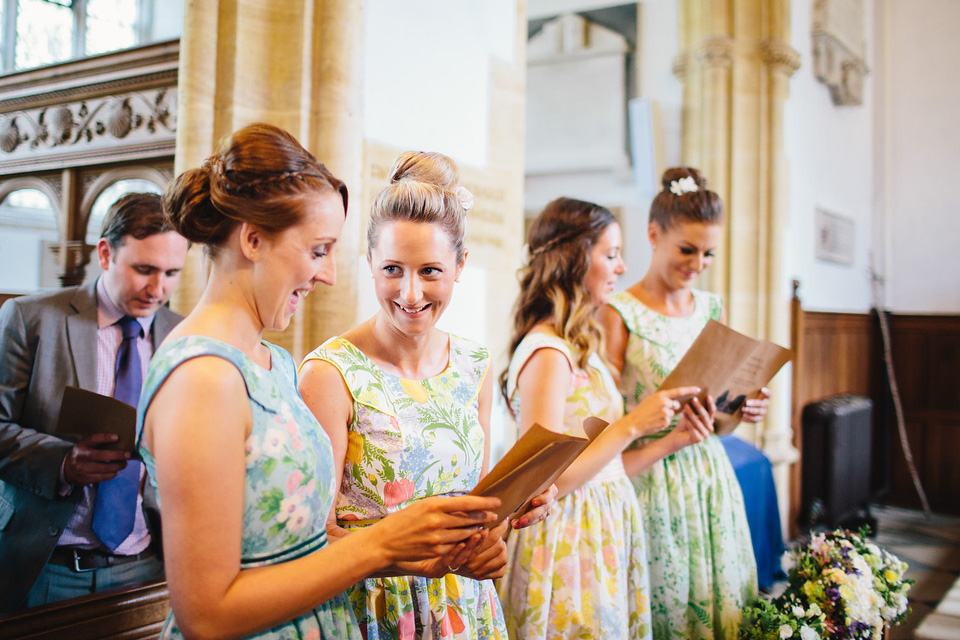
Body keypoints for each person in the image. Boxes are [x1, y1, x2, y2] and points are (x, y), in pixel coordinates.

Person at [139, 124, 502, 640]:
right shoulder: (202, 378)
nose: (330, 273)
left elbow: (305, 542)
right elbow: (206, 614)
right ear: (253, 238)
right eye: (318, 250)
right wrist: (383, 543)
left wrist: (432, 546)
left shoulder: (275, 364)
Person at [298, 151, 552, 640]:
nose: (411, 294)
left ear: (460, 266)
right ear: (369, 261)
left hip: (464, 609)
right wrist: (417, 560)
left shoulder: (474, 366)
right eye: (392, 268)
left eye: (430, 271)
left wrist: (514, 511)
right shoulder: (330, 374)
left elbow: (480, 510)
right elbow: (313, 540)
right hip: (369, 611)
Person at [495, 197, 711, 640]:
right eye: (610, 255)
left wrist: (672, 440)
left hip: (601, 531)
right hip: (564, 545)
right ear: (574, 260)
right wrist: (631, 424)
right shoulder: (548, 355)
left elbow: (605, 469)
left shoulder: (577, 346)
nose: (621, 266)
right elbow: (536, 484)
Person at [597, 167, 771, 639]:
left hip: (710, 479)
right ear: (653, 235)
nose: (697, 264)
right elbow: (603, 423)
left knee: (721, 607)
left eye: (708, 253)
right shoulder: (618, 314)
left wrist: (742, 410)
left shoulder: (713, 309)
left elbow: (720, 422)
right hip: (650, 480)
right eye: (687, 250)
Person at [0, 192, 188, 612]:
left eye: (172, 273)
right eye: (143, 269)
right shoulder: (31, 319)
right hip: (45, 566)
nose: (157, 289)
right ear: (105, 253)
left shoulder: (183, 334)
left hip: (148, 564)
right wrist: (62, 462)